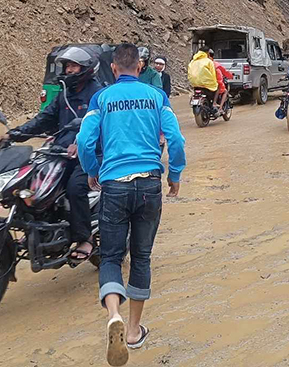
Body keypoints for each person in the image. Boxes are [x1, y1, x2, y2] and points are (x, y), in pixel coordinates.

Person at [77, 43, 186, 365]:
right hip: (149, 184)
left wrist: (92, 170)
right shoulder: (157, 97)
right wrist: (175, 174)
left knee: (110, 255)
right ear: (140, 66)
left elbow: (84, 141)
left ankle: (114, 315)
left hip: (114, 186)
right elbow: (176, 139)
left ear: (113, 68)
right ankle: (135, 330)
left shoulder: (102, 98)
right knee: (141, 257)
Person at [0, 46, 101, 262]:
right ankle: (38, 231)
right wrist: (13, 135)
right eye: (67, 66)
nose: (69, 70)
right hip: (60, 152)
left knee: (74, 188)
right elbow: (43, 119)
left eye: (73, 66)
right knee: (32, 185)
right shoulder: (64, 94)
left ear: (86, 68)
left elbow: (103, 126)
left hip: (90, 155)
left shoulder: (97, 94)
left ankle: (85, 238)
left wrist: (81, 144)